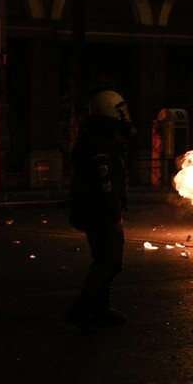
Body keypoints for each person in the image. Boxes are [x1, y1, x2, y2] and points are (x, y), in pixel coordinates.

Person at [66, 90, 135, 329]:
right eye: (120, 111)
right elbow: (104, 183)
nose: (124, 116)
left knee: (105, 260)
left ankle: (99, 309)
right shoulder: (99, 143)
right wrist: (113, 212)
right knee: (109, 262)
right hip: (101, 212)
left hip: (98, 210)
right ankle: (83, 308)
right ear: (110, 112)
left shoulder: (98, 138)